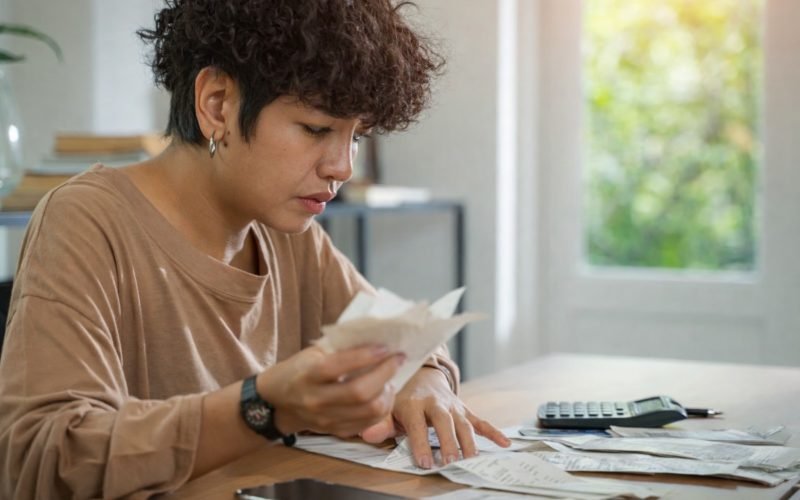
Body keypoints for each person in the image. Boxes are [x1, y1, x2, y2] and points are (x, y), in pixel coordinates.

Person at [0, 0, 510, 498]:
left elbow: (403, 332)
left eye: (357, 135)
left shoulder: (290, 237)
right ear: (217, 104)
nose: (343, 166)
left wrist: (423, 376)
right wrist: (263, 407)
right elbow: (45, 462)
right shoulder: (85, 222)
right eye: (317, 129)